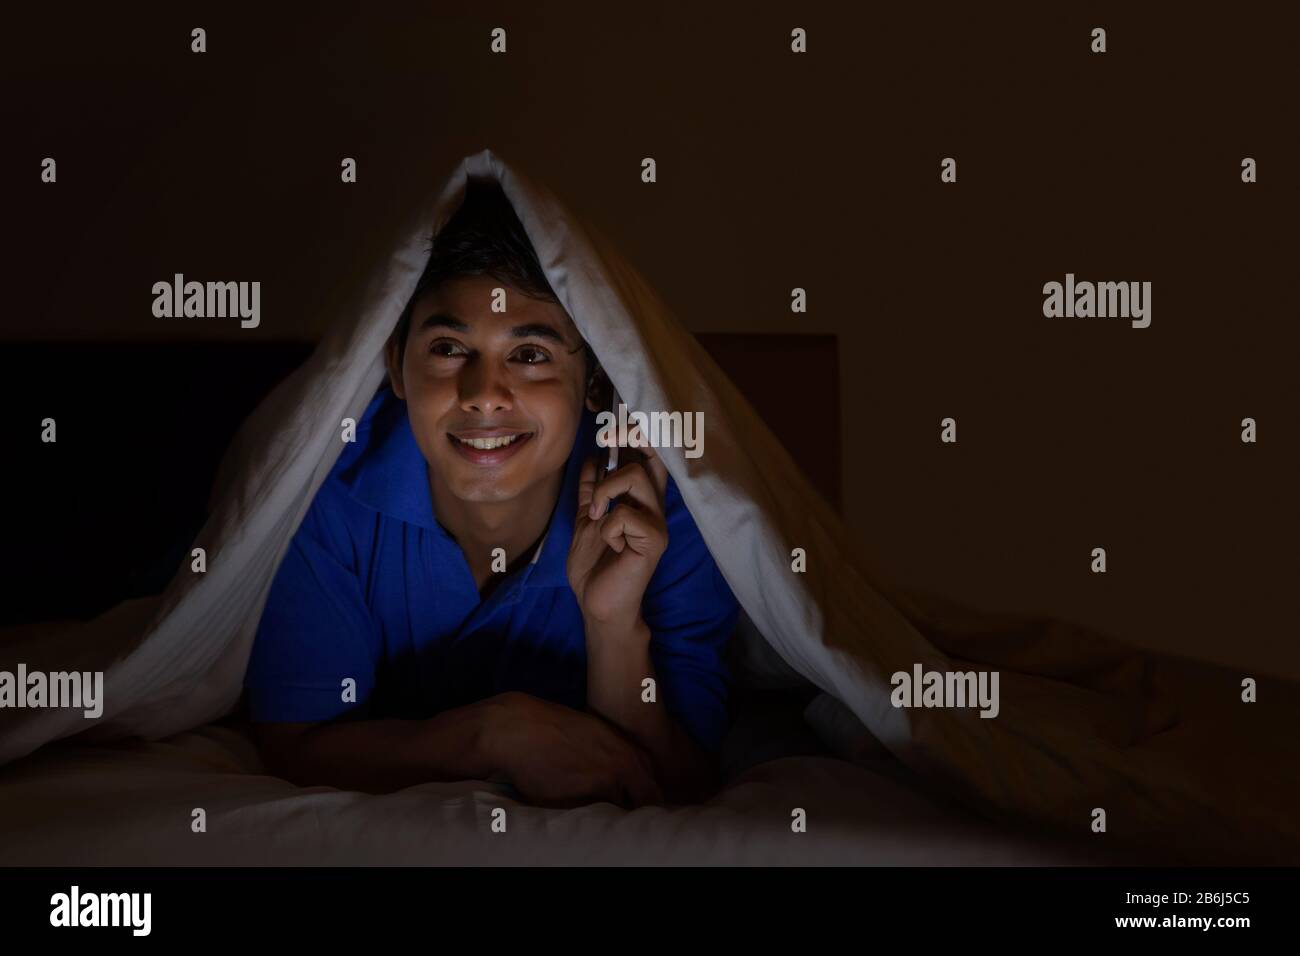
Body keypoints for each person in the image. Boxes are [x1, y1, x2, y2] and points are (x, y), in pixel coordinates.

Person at [243, 179, 739, 808]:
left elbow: (680, 782)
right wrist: (493, 734)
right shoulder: (329, 488)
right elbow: (293, 745)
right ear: (395, 367)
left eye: (530, 354)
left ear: (591, 384)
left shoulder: (660, 502)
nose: (484, 393)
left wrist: (613, 627)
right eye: (449, 349)